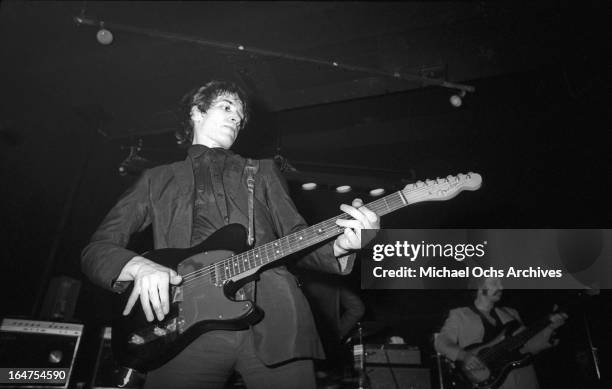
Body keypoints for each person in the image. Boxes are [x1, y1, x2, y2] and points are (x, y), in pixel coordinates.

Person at [81, 80, 380, 389]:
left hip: (274, 319)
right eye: (226, 108)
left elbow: (297, 237)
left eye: (239, 117)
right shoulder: (156, 179)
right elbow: (98, 248)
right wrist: (138, 266)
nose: (235, 119)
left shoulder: (263, 172)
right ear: (197, 112)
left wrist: (343, 245)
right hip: (181, 325)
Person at [434, 277, 567, 389]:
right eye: (495, 283)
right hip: (487, 381)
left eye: (501, 283)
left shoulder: (511, 313)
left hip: (524, 379)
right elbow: (441, 342)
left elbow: (529, 346)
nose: (501, 287)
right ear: (479, 287)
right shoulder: (459, 315)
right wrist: (464, 356)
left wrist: (550, 327)